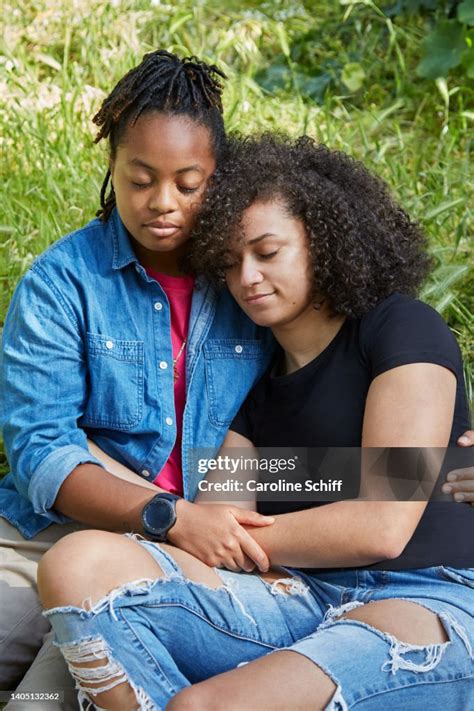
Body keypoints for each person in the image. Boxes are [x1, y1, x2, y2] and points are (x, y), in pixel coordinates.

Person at [37, 135, 473, 710]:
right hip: (298, 594)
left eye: (267, 253)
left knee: (202, 707)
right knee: (75, 563)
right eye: (230, 261)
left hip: (425, 593)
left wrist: (225, 532)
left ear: (323, 243)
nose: (247, 278)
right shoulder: (256, 385)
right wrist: (199, 522)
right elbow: (217, 519)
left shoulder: (399, 329)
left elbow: (382, 524)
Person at [0, 50, 277, 708]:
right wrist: (168, 514)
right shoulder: (63, 282)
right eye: (140, 179)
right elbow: (40, 450)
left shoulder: (256, 281)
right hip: (52, 530)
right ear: (113, 168)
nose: (162, 203)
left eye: (188, 183)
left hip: (193, 557)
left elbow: (333, 388)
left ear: (218, 176)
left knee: (45, 697)